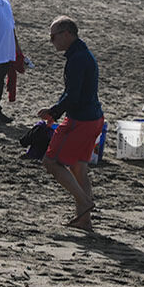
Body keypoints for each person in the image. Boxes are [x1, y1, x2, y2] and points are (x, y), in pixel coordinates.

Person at [39, 16, 103, 231]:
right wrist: (55, 110)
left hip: (81, 120)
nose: (52, 41)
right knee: (79, 168)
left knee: (51, 162)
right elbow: (72, 92)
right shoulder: (81, 54)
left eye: (53, 36)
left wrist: (53, 112)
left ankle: (84, 203)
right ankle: (84, 221)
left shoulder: (77, 58)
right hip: (94, 119)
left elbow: (72, 95)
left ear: (67, 34)